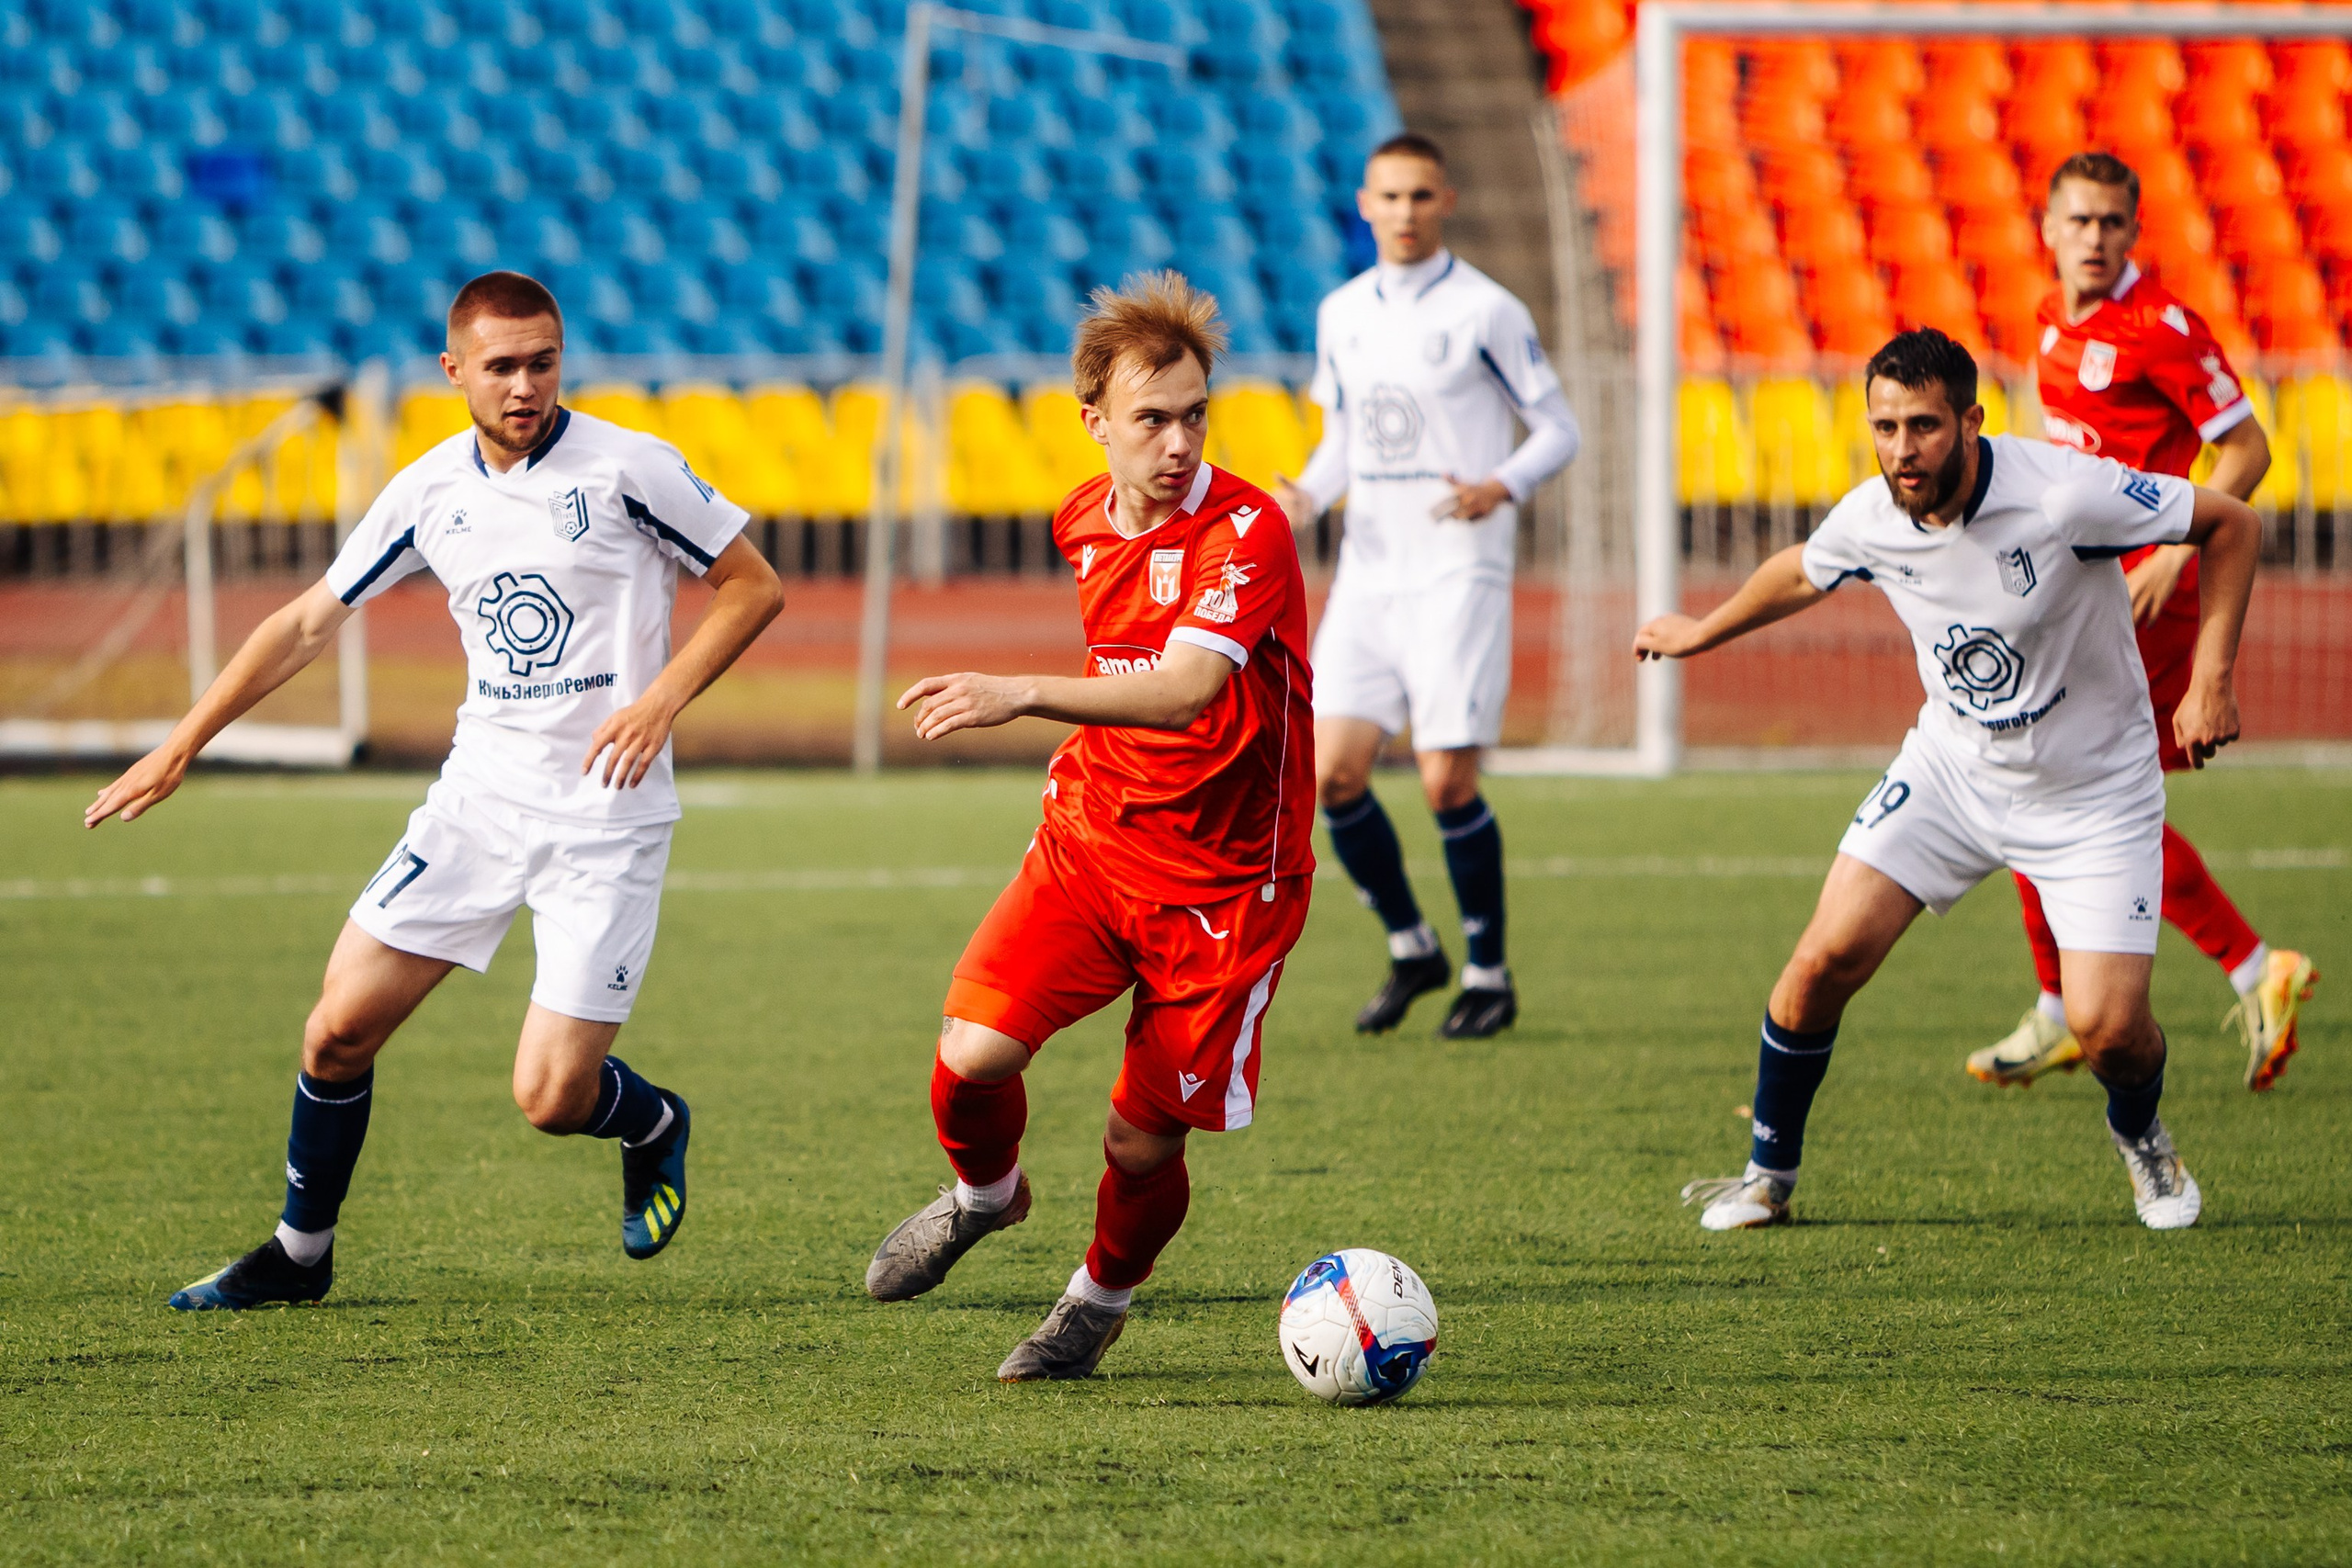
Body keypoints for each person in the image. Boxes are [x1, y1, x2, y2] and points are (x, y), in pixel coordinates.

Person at [87, 272, 786, 1309]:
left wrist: (660, 702)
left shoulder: (630, 467)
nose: (524, 386)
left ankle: (651, 1123)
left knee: (549, 1099)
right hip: (479, 803)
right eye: (499, 366)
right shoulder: (428, 492)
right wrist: (183, 743)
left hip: (604, 818)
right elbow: (306, 623)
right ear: (452, 370)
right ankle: (299, 1255)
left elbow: (753, 584)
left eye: (541, 362)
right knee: (336, 1030)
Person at [1636, 329, 2259, 1234]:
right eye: (1884, 427)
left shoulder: (2063, 493)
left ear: (1971, 420)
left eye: (1922, 426)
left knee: (2108, 1031)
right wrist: (1703, 629)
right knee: (1819, 964)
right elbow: (1803, 570)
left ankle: (2143, 1140)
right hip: (1951, 774)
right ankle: (1766, 1176)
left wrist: (2210, 683)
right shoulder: (1872, 515)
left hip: (2092, 795)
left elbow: (2230, 524)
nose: (1901, 449)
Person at [864, 273, 1314, 1380]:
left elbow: (1183, 691)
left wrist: (1022, 691)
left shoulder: (1246, 530)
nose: (1176, 441)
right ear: (1095, 421)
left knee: (1140, 1135)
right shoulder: (1081, 517)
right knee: (969, 1056)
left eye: (1195, 414)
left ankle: (1096, 1302)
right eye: (1151, 418)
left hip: (1221, 885)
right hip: (1093, 838)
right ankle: (985, 1198)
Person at [1969, 151, 2317, 1093]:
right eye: (2077, 221)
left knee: (2077, 797)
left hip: (2145, 604)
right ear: (2047, 228)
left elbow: (2246, 448)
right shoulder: (2047, 321)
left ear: (2133, 231)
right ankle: (2064, 1007)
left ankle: (2246, 968)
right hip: (2078, 595)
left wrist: (2170, 552)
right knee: (2031, 781)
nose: (2093, 238)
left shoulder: (2160, 327)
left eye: (2110, 224)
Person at [1272, 131, 1580, 1040]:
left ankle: (1488, 971)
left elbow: (1555, 428)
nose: (1403, 212)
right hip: (1371, 572)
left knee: (1446, 780)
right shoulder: (1341, 313)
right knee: (1331, 775)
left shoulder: (1486, 310)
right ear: (1362, 205)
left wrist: (1501, 484)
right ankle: (1413, 946)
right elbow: (1343, 443)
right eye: (1388, 197)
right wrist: (1304, 495)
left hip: (1457, 567)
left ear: (1445, 202)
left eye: (1419, 196)